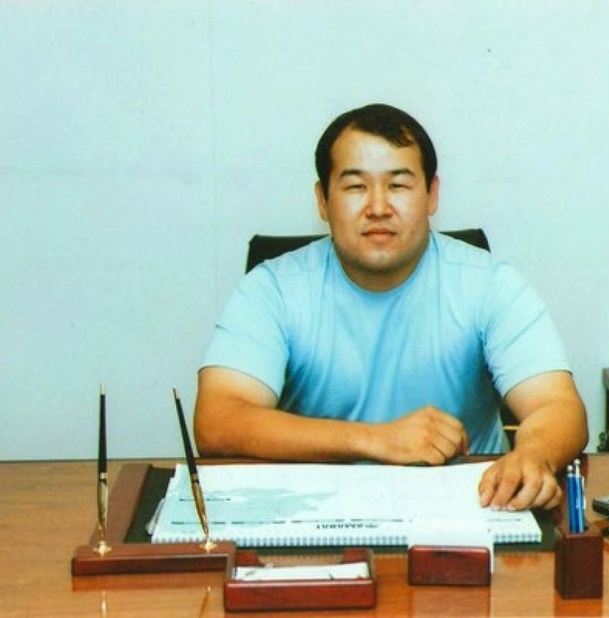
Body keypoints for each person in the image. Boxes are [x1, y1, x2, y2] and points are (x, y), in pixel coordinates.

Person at [194, 103, 587, 511]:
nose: (378, 207)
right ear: (323, 201)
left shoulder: (489, 284)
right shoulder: (273, 289)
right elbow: (218, 421)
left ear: (432, 195)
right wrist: (376, 440)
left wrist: (534, 455)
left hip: (468, 512)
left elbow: (557, 405)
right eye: (355, 187)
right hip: (316, 513)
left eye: (398, 185)